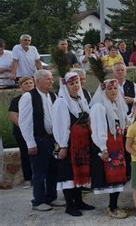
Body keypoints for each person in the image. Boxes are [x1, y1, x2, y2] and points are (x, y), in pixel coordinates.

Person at [19, 70, 64, 211]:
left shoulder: (52, 95)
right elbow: (24, 121)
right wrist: (30, 143)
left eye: (51, 79)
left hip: (52, 139)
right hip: (39, 139)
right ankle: (38, 201)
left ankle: (51, 197)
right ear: (38, 81)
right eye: (48, 79)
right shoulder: (28, 97)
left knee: (53, 170)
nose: (51, 81)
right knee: (39, 172)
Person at [52, 72, 95, 216]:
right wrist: (63, 145)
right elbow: (60, 125)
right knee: (68, 175)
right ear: (66, 86)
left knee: (79, 172)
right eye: (72, 84)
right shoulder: (62, 102)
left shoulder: (80, 99)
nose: (75, 86)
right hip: (69, 144)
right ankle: (70, 206)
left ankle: (79, 201)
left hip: (81, 143)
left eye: (77, 82)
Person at [89, 78, 129, 219]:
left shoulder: (118, 105)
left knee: (118, 176)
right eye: (110, 89)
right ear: (104, 90)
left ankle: (114, 205)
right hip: (107, 145)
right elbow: (97, 129)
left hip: (118, 145)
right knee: (111, 177)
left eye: (115, 88)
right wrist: (103, 148)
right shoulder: (99, 107)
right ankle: (112, 207)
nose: (113, 91)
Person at [9, 77, 35, 188]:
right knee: (25, 154)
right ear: (21, 86)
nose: (29, 85)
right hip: (21, 132)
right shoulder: (16, 100)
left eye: (31, 83)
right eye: (26, 83)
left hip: (37, 131)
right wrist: (25, 128)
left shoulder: (38, 97)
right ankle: (28, 179)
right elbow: (13, 116)